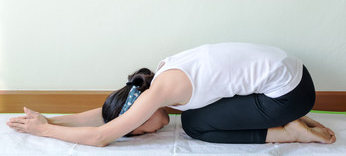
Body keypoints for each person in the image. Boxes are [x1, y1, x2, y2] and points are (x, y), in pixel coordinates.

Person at [7, 43, 336, 146]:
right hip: (295, 77)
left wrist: (43, 130)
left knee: (195, 125)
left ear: (140, 113)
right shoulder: (160, 78)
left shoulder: (161, 91)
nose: (152, 130)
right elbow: (106, 114)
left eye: (138, 130)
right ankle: (283, 113)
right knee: (198, 114)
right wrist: (51, 118)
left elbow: (101, 136)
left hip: (291, 94)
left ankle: (290, 131)